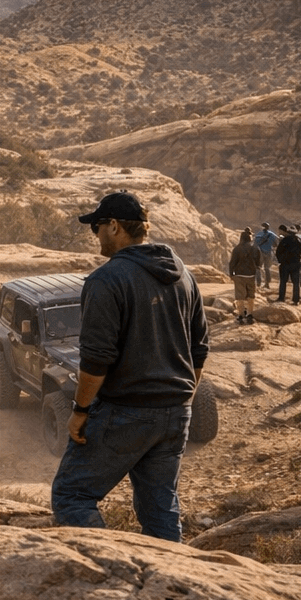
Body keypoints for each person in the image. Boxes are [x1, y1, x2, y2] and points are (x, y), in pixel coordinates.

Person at [50, 191, 208, 542]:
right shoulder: (184, 275)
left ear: (116, 227)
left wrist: (79, 410)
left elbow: (96, 359)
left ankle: (106, 570)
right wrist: (182, 398)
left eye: (97, 227)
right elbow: (199, 349)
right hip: (176, 412)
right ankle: (170, 583)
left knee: (71, 495)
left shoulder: (106, 280)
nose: (96, 235)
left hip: (126, 410)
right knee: (160, 506)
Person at [228, 228, 262, 324]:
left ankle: (241, 315)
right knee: (251, 295)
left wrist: (231, 274)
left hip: (239, 275)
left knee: (240, 296)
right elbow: (259, 262)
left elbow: (232, 263)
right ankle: (250, 314)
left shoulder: (237, 248)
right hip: (251, 275)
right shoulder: (255, 247)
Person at [275, 224, 301, 304]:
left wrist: (280, 261)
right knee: (296, 283)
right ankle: (296, 300)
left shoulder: (284, 240)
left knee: (283, 282)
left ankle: (281, 298)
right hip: (295, 264)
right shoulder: (299, 240)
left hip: (285, 264)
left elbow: (278, 252)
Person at [253, 222, 277, 290]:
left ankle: (258, 283)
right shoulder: (272, 235)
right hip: (269, 253)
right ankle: (267, 284)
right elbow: (275, 244)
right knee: (267, 268)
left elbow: (255, 244)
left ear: (262, 227)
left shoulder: (259, 234)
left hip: (260, 253)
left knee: (258, 267)